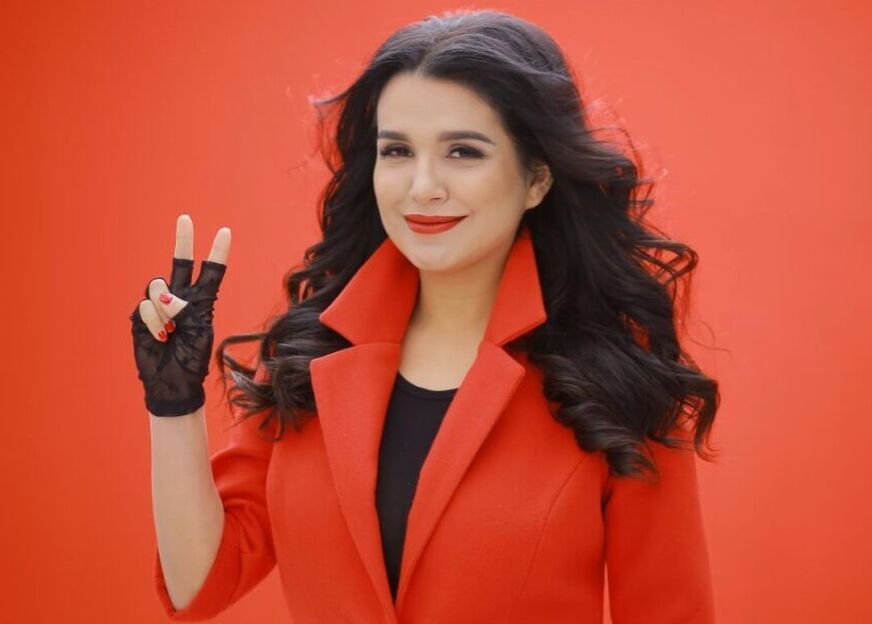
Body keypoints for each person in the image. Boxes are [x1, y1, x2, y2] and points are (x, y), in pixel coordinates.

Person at [130, 8, 720, 623]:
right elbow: (199, 585)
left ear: (537, 178)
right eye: (398, 151)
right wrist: (174, 403)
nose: (422, 187)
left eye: (463, 151)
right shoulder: (307, 359)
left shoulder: (619, 383)